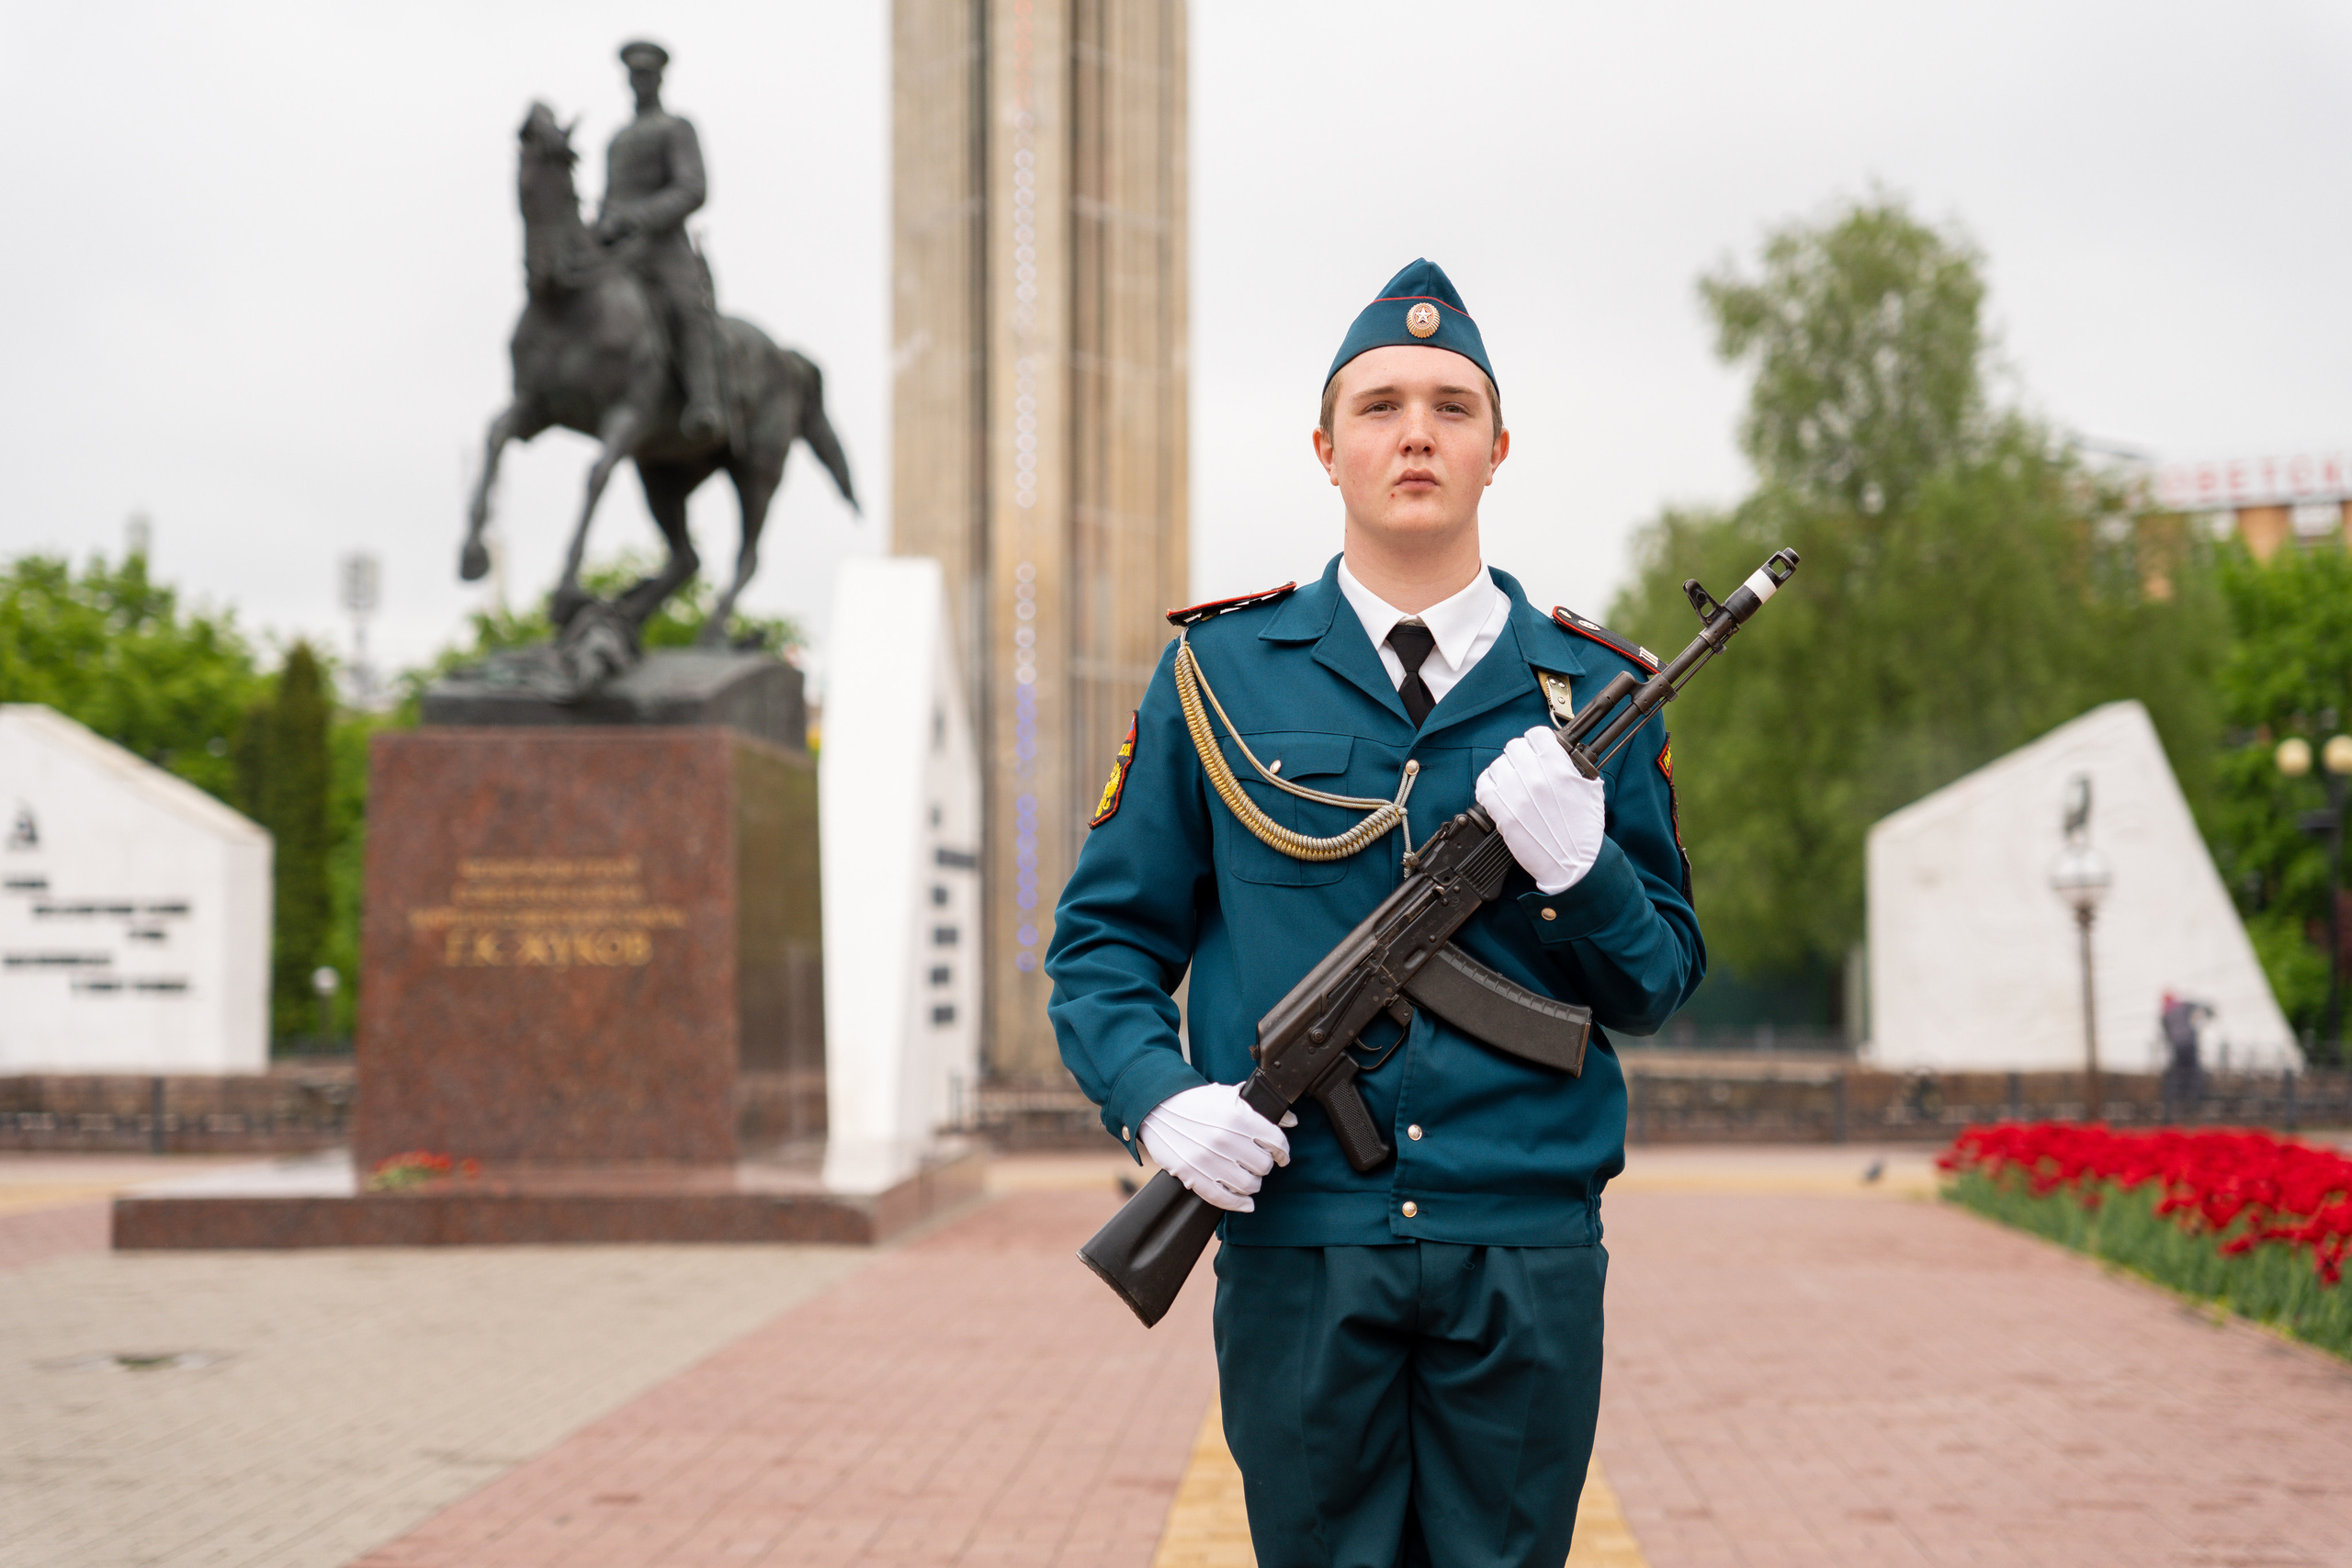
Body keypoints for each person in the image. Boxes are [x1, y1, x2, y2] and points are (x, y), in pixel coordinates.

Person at [1046, 259, 1703, 1567]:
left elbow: (1659, 978)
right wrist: (1157, 1098)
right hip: (1304, 1242)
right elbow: (1104, 944)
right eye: (1382, 404)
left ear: (1498, 449)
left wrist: (1586, 872)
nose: (1417, 431)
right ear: (1327, 448)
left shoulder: (1595, 690)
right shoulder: (1215, 673)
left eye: (1453, 407)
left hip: (1521, 1243)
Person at [598, 40, 725, 442]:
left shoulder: (675, 128)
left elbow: (692, 188)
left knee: (688, 311)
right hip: (620, 253)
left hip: (665, 248)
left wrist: (638, 217)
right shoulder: (617, 140)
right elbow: (610, 199)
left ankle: (705, 401)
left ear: (659, 79)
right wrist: (598, 228)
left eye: (647, 75)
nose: (641, 82)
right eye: (635, 75)